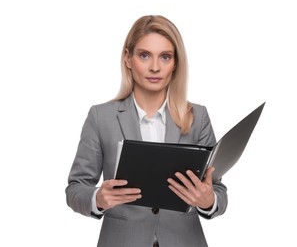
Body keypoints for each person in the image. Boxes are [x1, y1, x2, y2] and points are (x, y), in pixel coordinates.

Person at [65, 15, 228, 247]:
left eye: (165, 57)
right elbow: (75, 188)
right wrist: (98, 198)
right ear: (128, 59)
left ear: (176, 63)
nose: (155, 67)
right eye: (144, 55)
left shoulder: (197, 116)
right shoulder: (101, 117)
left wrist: (208, 200)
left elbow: (218, 189)